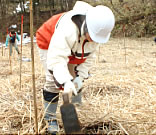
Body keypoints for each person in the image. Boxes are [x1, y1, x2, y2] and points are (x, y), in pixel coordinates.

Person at [36, 1, 115, 134]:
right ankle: (50, 119)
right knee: (53, 81)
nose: (95, 41)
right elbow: (57, 59)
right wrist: (65, 81)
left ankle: (75, 103)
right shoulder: (68, 30)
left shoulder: (97, 31)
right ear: (86, 27)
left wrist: (80, 76)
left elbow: (89, 57)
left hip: (74, 46)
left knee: (73, 78)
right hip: (48, 41)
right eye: (93, 37)